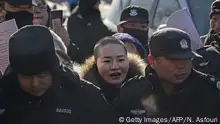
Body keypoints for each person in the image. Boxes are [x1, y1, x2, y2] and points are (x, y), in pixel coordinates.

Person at [0, 25, 116, 124]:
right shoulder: (5, 98)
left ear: (54, 70)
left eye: (42, 75)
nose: (35, 84)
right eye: (26, 77)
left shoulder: (84, 96)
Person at [116, 28, 220, 122]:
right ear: (152, 61)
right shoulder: (133, 92)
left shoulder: (211, 90)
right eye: (173, 59)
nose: (181, 66)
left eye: (187, 58)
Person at [79, 36, 146, 105]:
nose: (115, 66)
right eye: (107, 61)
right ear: (96, 62)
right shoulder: (81, 94)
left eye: (121, 60)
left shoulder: (145, 91)